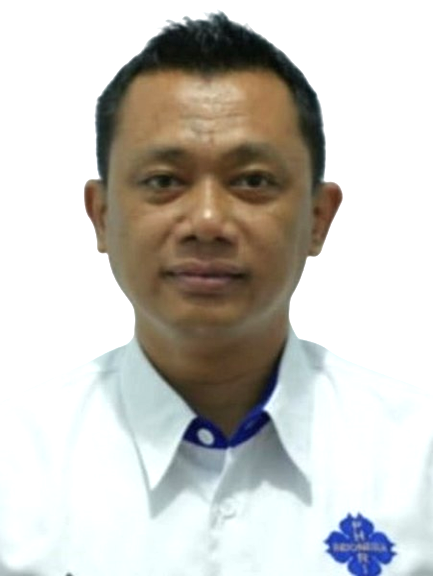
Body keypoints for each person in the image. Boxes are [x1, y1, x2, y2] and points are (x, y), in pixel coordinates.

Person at [0, 12, 432, 576]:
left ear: (318, 218)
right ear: (101, 216)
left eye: (252, 181)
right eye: (164, 181)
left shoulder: (416, 460)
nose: (207, 221)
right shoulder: (15, 463)